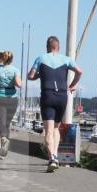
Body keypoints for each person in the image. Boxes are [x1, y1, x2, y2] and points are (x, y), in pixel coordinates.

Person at [28, 35, 82, 173]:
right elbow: (80, 72)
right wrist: (72, 85)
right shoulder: (66, 59)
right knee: (57, 128)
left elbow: (30, 76)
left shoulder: (40, 58)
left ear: (47, 47)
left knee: (49, 130)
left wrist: (41, 74)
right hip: (62, 96)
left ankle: (52, 158)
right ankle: (56, 156)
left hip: (47, 95)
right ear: (58, 47)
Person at [0, 51, 22, 158]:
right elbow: (19, 84)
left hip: (0, 97)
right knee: (7, 124)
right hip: (13, 98)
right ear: (11, 59)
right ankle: (4, 151)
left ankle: (3, 139)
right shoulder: (15, 70)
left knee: (1, 124)